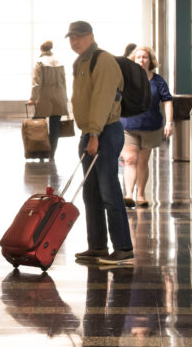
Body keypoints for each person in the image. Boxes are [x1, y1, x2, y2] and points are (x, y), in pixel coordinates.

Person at [67, 21, 133, 265]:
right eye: (72, 38)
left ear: (91, 36)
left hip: (104, 132)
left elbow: (103, 99)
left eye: (80, 37)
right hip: (90, 133)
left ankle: (123, 247)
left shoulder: (102, 60)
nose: (76, 42)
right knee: (91, 193)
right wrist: (88, 133)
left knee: (108, 191)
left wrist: (94, 134)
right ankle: (97, 246)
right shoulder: (81, 61)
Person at [120, 46, 173, 208]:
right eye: (138, 57)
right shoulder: (126, 79)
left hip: (150, 126)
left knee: (143, 161)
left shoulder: (158, 81)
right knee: (130, 159)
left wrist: (169, 122)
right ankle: (128, 194)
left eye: (145, 57)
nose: (141, 60)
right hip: (128, 125)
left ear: (150, 61)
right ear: (133, 60)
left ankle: (140, 194)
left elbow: (167, 101)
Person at [27, 40, 69, 160]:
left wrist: (33, 98)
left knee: (39, 125)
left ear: (41, 50)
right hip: (59, 96)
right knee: (55, 127)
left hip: (44, 96)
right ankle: (52, 153)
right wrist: (65, 97)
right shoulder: (59, 61)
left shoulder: (40, 62)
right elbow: (63, 81)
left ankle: (41, 151)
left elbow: (36, 83)